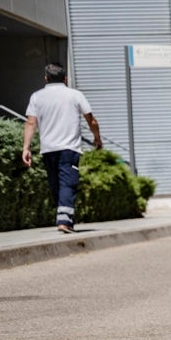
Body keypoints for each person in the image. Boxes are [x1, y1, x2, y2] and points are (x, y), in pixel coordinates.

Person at [21, 62, 102, 233]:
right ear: (65, 78)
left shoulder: (37, 96)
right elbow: (91, 120)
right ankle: (64, 221)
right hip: (69, 148)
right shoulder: (75, 95)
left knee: (56, 184)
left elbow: (30, 122)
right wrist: (97, 138)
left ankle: (64, 218)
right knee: (68, 183)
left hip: (48, 149)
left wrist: (26, 148)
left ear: (45, 78)